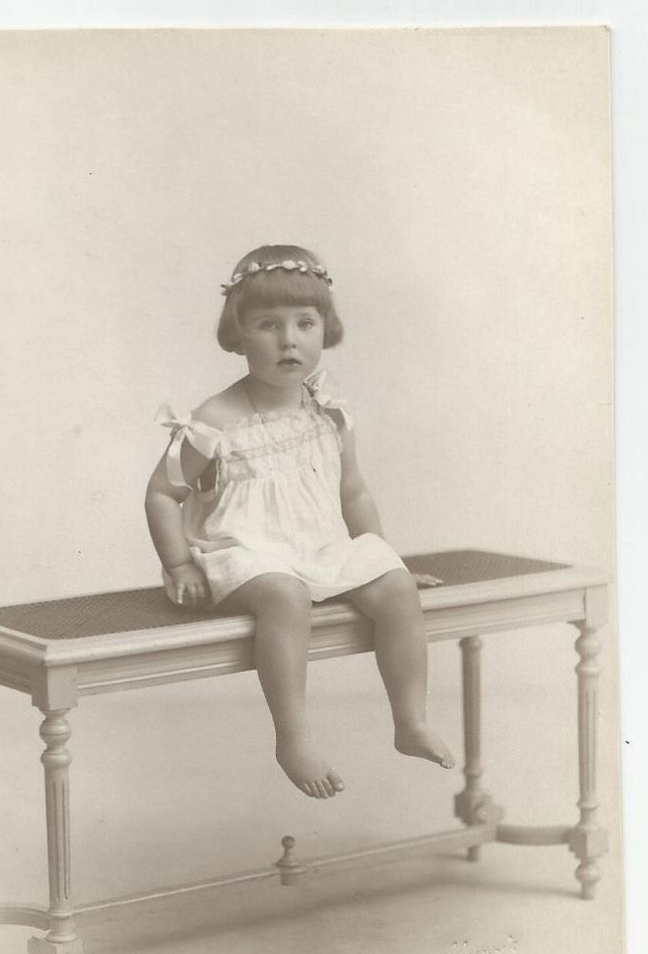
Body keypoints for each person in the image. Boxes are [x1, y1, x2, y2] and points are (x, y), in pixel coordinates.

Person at [145, 244, 454, 800]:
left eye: (304, 323)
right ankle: (293, 739)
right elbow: (161, 495)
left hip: (316, 544)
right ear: (238, 334)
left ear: (324, 330)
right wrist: (178, 563)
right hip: (242, 550)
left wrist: (381, 561)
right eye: (268, 324)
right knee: (285, 597)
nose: (289, 339)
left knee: (397, 585)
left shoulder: (328, 409)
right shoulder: (215, 420)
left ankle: (410, 721)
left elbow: (352, 490)